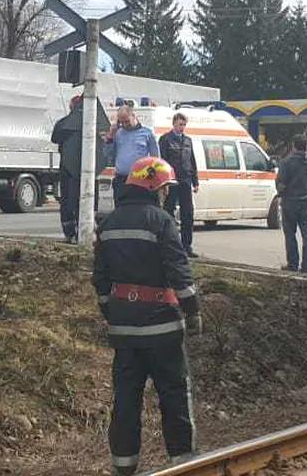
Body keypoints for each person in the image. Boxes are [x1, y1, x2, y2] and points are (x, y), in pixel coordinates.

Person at [92, 156, 201, 475]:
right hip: (163, 328)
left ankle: (123, 467)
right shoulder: (162, 221)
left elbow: (100, 280)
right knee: (174, 396)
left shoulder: (109, 223)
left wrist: (110, 311)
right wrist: (193, 311)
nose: (167, 194)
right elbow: (179, 273)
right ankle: (183, 464)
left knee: (125, 401)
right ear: (155, 187)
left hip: (124, 331)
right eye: (166, 188)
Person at [158, 112, 200, 257]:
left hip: (185, 180)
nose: (182, 127)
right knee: (168, 212)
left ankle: (186, 246)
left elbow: (192, 161)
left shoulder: (188, 140)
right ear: (174, 123)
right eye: (180, 124)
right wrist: (164, 183)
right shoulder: (165, 139)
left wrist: (195, 181)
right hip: (172, 181)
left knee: (187, 213)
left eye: (184, 125)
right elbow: (162, 161)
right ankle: (168, 244)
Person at [276, 136, 307, 274]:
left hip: (290, 203)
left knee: (290, 235)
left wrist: (280, 193)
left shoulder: (285, 162)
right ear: (306, 146)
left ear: (294, 146)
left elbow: (281, 183)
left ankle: (293, 264)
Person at [103, 105, 160, 201]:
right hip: (121, 180)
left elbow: (156, 158)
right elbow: (107, 154)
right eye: (121, 122)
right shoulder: (118, 133)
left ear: (133, 116)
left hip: (140, 179)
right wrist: (111, 136)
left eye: (127, 121)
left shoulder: (147, 133)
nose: (125, 125)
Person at [51, 95, 84, 244]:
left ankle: (71, 233)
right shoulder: (82, 123)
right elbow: (55, 138)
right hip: (74, 169)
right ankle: (74, 233)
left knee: (69, 202)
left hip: (72, 168)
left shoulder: (65, 123)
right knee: (72, 202)